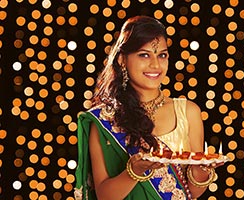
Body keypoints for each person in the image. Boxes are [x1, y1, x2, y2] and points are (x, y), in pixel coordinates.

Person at [74, 15, 222, 200]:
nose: (155, 65)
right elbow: (105, 196)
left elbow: (190, 193)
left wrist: (200, 172)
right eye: (144, 55)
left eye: (162, 55)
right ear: (122, 60)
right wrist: (133, 171)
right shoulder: (105, 119)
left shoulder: (188, 112)